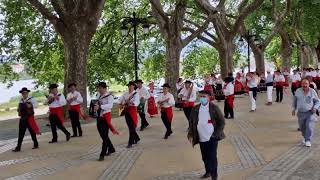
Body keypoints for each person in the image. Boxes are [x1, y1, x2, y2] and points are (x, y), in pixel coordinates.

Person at [187, 90, 226, 180]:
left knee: (212, 156)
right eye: (200, 96)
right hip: (201, 137)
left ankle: (214, 175)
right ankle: (208, 171)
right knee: (204, 156)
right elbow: (191, 122)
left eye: (204, 96)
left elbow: (222, 122)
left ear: (209, 97)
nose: (202, 98)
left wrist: (215, 134)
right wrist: (190, 134)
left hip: (212, 137)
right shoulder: (195, 108)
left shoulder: (214, 108)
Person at [94, 82, 119, 161]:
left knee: (104, 136)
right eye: (98, 88)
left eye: (100, 88)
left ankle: (102, 153)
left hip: (106, 117)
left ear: (105, 88)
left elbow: (110, 106)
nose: (99, 90)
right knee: (103, 135)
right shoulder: (98, 95)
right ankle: (111, 148)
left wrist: (100, 106)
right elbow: (96, 104)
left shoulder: (110, 96)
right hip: (99, 117)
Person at [292, 78, 320, 147]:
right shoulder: (298, 91)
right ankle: (305, 137)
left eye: (306, 83)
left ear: (309, 84)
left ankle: (308, 140)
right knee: (302, 127)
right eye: (303, 83)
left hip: (310, 112)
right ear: (301, 84)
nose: (304, 85)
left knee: (309, 126)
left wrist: (315, 108)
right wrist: (294, 109)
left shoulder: (312, 91)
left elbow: (318, 101)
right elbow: (295, 100)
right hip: (300, 113)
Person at [12, 87, 40, 152]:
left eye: (25, 93)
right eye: (23, 93)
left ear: (27, 93)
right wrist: (18, 109)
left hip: (29, 118)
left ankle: (36, 144)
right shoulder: (21, 100)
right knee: (21, 133)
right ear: (22, 94)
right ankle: (18, 147)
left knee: (32, 132)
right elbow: (19, 107)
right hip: (22, 118)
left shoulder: (31, 99)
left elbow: (36, 105)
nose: (24, 94)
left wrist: (31, 105)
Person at [119, 81, 140, 148]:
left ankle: (130, 143)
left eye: (131, 86)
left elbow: (137, 102)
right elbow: (119, 100)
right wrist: (121, 103)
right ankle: (136, 138)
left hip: (133, 111)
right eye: (129, 86)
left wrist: (130, 103)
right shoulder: (125, 94)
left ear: (134, 86)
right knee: (130, 127)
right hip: (126, 111)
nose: (130, 87)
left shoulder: (136, 94)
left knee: (131, 127)